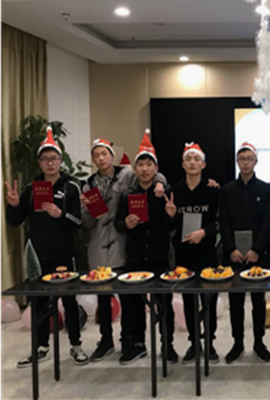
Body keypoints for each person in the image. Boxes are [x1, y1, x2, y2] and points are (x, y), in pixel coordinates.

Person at [6, 128, 89, 367]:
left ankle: (76, 345)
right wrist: (14, 205)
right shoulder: (31, 189)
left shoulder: (71, 187)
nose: (50, 163)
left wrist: (59, 214)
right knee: (39, 303)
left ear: (61, 161)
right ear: (39, 162)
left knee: (70, 301)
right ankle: (41, 347)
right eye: (45, 159)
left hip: (64, 253)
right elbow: (15, 221)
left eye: (54, 158)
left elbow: (77, 222)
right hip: (37, 255)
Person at [81, 137, 166, 362]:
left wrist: (160, 183)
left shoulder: (127, 174)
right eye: (96, 155)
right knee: (103, 298)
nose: (101, 158)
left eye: (104, 154)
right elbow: (87, 224)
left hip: (122, 244)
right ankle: (106, 340)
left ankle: (129, 340)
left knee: (129, 299)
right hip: (98, 246)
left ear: (112, 155)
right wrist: (88, 209)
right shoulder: (88, 185)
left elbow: (151, 174)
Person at [114, 131, 176, 365]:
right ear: (135, 168)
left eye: (149, 164)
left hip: (160, 256)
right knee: (133, 305)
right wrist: (126, 223)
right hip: (136, 257)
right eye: (140, 164)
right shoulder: (127, 195)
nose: (144, 169)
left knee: (165, 305)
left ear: (155, 168)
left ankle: (167, 345)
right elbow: (118, 224)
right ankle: (137, 345)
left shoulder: (165, 192)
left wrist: (171, 215)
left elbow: (173, 226)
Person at [220, 142, 270, 364]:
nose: (245, 162)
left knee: (258, 301)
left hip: (257, 256)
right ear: (237, 162)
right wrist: (231, 249)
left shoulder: (265, 189)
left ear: (256, 161)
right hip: (233, 256)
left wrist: (256, 249)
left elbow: (268, 224)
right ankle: (237, 343)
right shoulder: (227, 190)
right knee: (235, 302)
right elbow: (223, 222)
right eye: (241, 159)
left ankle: (259, 342)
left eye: (249, 158)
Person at [169, 142, 221, 364]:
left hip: (208, 254)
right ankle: (194, 343)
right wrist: (172, 215)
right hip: (184, 256)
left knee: (209, 301)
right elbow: (168, 226)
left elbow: (219, 221)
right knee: (189, 302)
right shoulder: (174, 191)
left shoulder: (213, 190)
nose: (192, 163)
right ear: (183, 164)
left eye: (196, 159)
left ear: (203, 164)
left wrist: (204, 232)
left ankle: (209, 343)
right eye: (188, 159)